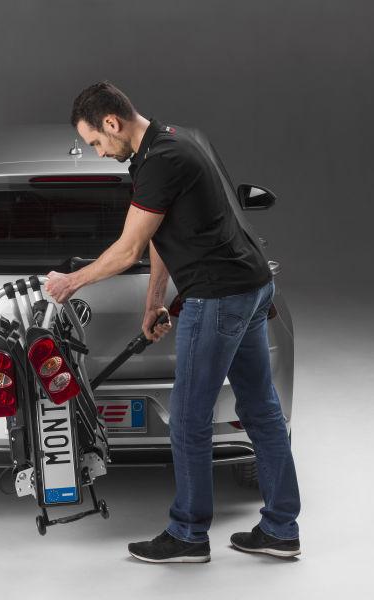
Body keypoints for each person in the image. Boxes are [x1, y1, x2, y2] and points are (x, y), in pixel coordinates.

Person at [44, 81, 301, 563]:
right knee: (261, 410)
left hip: (220, 297)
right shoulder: (167, 145)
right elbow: (160, 234)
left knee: (186, 420)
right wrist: (152, 303)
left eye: (96, 141)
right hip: (250, 286)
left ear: (112, 123)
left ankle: (187, 534)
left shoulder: (161, 160)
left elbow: (128, 250)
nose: (98, 152)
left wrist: (70, 282)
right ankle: (282, 529)